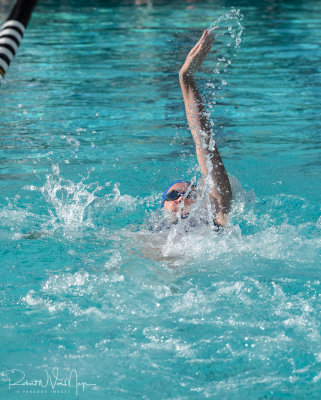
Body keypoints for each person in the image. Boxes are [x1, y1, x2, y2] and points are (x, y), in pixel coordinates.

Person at [161, 30, 232, 228]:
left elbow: (204, 144)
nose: (180, 198)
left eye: (190, 195)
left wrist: (186, 78)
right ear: (162, 205)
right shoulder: (143, 237)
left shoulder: (214, 225)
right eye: (173, 194)